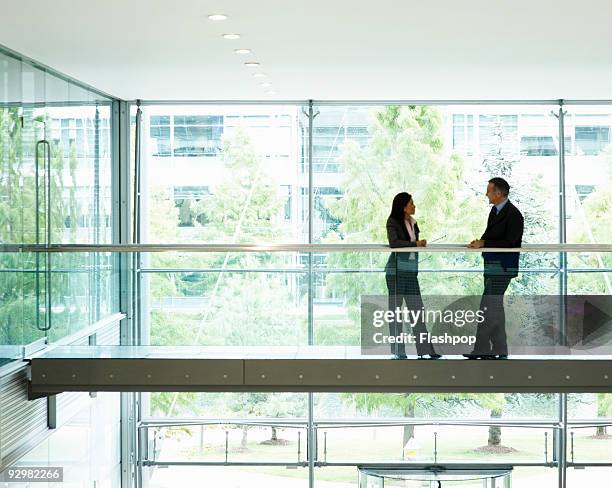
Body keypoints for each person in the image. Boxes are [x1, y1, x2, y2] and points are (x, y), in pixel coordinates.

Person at [464, 177, 524, 360]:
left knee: (487, 307)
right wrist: (480, 242)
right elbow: (490, 235)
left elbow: (510, 242)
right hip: (492, 267)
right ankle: (499, 349)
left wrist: (485, 242)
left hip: (503, 268)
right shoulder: (495, 211)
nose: (486, 194)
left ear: (498, 193)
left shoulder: (514, 214)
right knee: (495, 307)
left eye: (489, 190)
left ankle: (482, 349)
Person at [384, 192, 441, 360]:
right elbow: (394, 243)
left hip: (410, 272)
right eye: (411, 203)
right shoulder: (393, 222)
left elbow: (412, 244)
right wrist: (414, 244)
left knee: (417, 311)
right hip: (395, 272)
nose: (414, 206)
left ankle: (425, 349)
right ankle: (398, 351)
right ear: (403, 206)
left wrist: (419, 243)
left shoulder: (413, 223)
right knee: (395, 312)